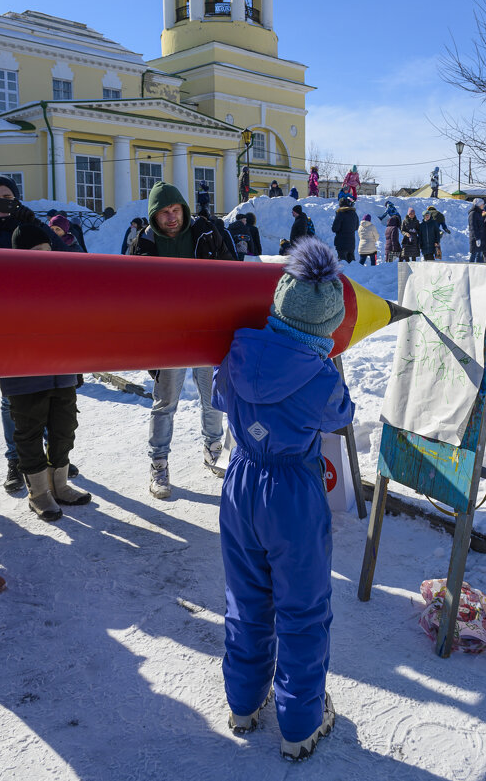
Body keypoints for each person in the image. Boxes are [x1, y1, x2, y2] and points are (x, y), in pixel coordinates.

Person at [212, 238, 354, 761]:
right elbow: (341, 416)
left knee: (245, 600)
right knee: (301, 610)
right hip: (292, 494)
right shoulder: (318, 378)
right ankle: (299, 725)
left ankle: (243, 704)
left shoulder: (237, 347)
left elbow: (221, 395)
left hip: (240, 484)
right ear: (325, 331)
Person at [130, 181, 235, 499]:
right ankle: (158, 463)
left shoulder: (206, 232)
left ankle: (213, 448)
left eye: (175, 210)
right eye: (163, 212)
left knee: (213, 399)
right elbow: (130, 291)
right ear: (154, 215)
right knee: (165, 403)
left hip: (206, 329)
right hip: (168, 336)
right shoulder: (143, 243)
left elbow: (232, 271)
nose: (171, 217)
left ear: (184, 210)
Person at [0, 174, 80, 494]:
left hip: (47, 324)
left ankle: (56, 458)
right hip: (6, 327)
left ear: (16, 199)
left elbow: (69, 263)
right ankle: (17, 461)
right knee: (14, 399)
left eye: (6, 197)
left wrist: (37, 224)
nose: (0, 202)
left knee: (55, 396)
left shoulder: (29, 224)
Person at [0, 223, 92, 521]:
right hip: (24, 377)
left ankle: (60, 484)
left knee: (64, 429)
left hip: (62, 371)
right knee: (29, 434)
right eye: (36, 252)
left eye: (48, 251)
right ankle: (39, 493)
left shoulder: (60, 282)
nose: (44, 257)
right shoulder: (6, 285)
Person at [331, 197, 359, 263]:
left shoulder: (340, 213)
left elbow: (334, 228)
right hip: (351, 243)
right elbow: (356, 227)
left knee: (343, 264)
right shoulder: (354, 214)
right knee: (352, 264)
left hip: (341, 243)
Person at [468, 198, 486, 263]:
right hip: (475, 238)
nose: (483, 205)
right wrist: (477, 238)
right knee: (474, 254)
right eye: (482, 204)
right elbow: (473, 226)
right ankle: (470, 268)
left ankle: (479, 269)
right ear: (478, 204)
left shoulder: (479, 213)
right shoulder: (473, 213)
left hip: (481, 237)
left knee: (479, 255)